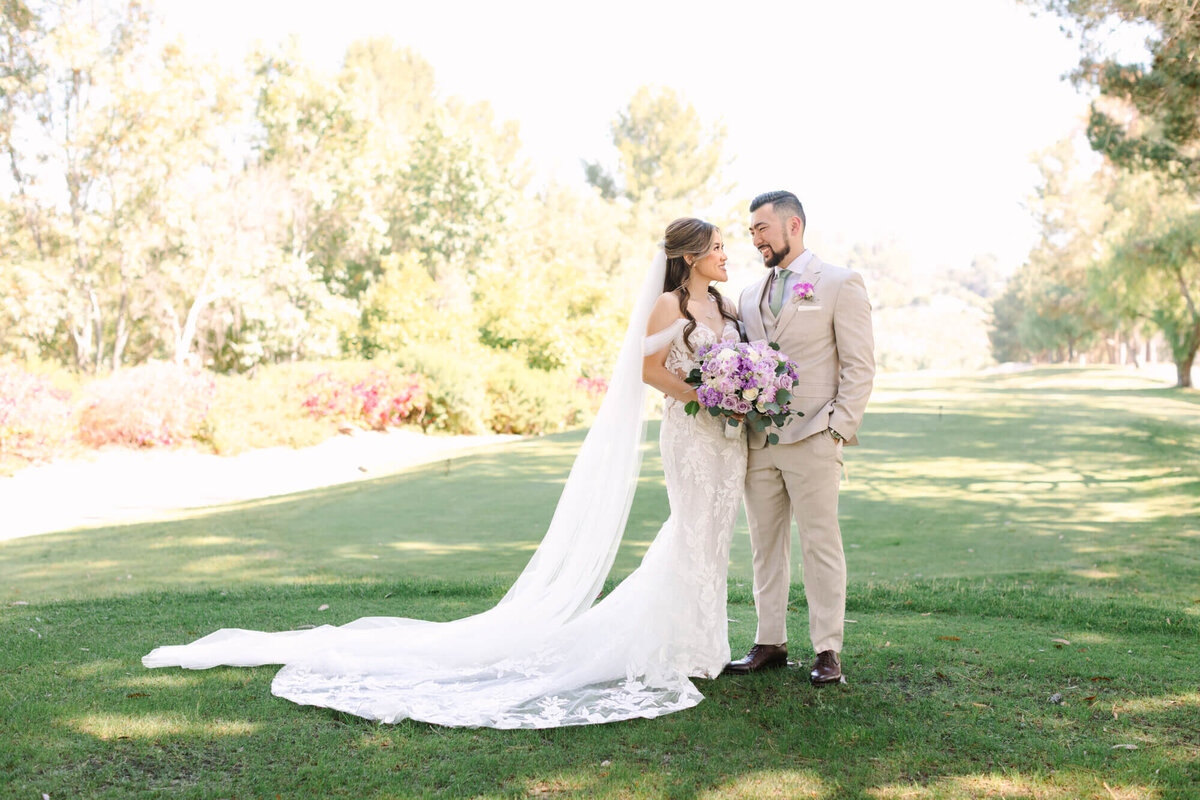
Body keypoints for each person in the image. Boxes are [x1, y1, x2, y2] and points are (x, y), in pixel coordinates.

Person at [143, 218, 747, 729]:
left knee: (712, 539)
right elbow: (644, 370)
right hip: (692, 435)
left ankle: (704, 645)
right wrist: (703, 395)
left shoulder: (723, 302)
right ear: (691, 257)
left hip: (728, 442)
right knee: (690, 534)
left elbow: (741, 361)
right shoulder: (668, 305)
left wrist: (740, 393)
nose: (726, 255)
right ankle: (682, 646)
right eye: (718, 247)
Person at [726, 191, 875, 685]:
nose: (755, 240)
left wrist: (837, 429)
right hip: (759, 441)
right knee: (765, 547)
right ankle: (770, 641)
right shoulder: (748, 296)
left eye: (761, 229)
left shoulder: (838, 283)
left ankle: (827, 649)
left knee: (820, 544)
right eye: (751, 232)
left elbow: (859, 366)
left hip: (814, 436)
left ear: (793, 226)